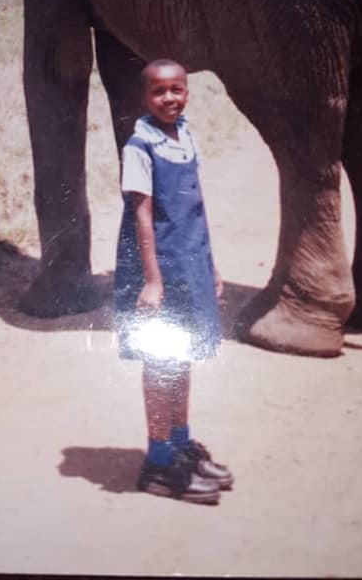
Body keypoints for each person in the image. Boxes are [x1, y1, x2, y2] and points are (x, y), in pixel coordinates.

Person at [114, 59, 233, 504]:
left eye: (177, 90)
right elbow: (142, 217)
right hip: (158, 272)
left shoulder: (185, 136)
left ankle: (180, 445)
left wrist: (211, 265)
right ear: (144, 98)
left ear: (187, 91)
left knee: (182, 358)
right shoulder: (139, 147)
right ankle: (159, 463)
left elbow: (196, 208)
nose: (170, 99)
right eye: (159, 92)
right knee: (161, 362)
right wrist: (151, 281)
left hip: (189, 264)